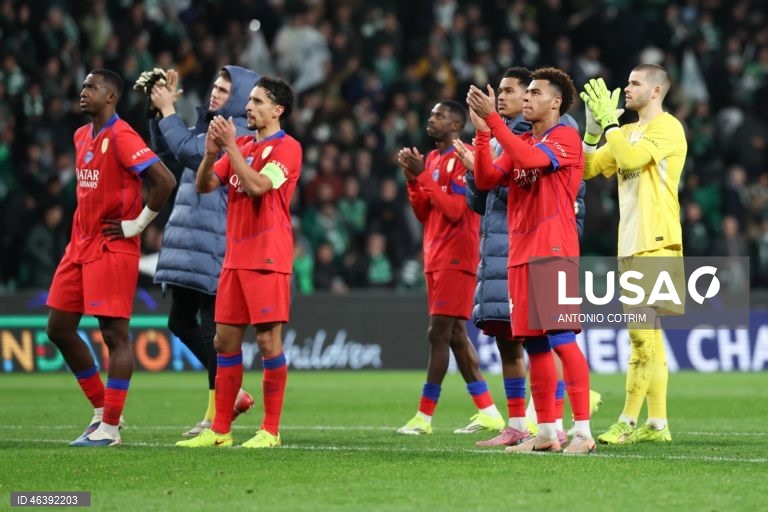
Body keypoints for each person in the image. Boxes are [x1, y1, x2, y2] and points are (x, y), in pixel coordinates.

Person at [454, 67, 597, 449]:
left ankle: (583, 431)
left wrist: (495, 125)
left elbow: (530, 163)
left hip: (555, 252)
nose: (527, 98)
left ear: (555, 102)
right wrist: (484, 133)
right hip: (520, 254)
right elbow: (486, 180)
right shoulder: (522, 141)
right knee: (534, 346)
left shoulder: (565, 137)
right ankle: (547, 433)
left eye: (535, 93)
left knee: (563, 341)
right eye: (526, 92)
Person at [46, 69, 176, 447]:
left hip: (112, 245)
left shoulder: (121, 136)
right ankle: (103, 411)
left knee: (114, 335)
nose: (83, 91)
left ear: (111, 97)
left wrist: (137, 226)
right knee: (58, 328)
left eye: (92, 87)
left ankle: (111, 428)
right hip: (79, 245)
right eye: (83, 85)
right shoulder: (80, 135)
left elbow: (163, 180)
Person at [177, 76, 302, 449]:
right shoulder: (242, 144)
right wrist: (213, 152)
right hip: (234, 258)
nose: (248, 107)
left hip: (268, 256)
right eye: (248, 101)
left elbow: (258, 186)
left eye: (258, 101)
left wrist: (230, 148)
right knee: (224, 342)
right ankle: (220, 432)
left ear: (277, 110)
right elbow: (203, 186)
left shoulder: (288, 148)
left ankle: (270, 430)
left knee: (267, 342)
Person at [147, 65, 260, 437]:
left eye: (225, 90)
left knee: (214, 330)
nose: (215, 93)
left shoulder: (239, 130)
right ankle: (234, 394)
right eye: (215, 86)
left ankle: (216, 413)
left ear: (242, 97)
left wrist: (169, 113)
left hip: (215, 241)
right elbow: (169, 153)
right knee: (179, 322)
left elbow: (194, 154)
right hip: (189, 239)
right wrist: (156, 112)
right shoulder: (207, 125)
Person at [580, 64, 687, 445]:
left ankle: (626, 422)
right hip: (630, 244)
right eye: (627, 81)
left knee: (641, 339)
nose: (626, 88)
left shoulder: (668, 128)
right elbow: (586, 168)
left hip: (656, 242)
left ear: (656, 91)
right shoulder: (626, 131)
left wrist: (610, 124)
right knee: (651, 340)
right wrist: (593, 130)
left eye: (635, 83)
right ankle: (657, 425)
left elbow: (628, 161)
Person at [396, 100, 504, 436]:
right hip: (435, 255)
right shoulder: (431, 159)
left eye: (439, 116)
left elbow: (458, 210)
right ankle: (488, 412)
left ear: (456, 125)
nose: (431, 120)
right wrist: (414, 179)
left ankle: (423, 417)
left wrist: (425, 177)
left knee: (438, 333)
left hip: (457, 256)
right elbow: (424, 213)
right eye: (430, 115)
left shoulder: (463, 155)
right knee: (456, 336)